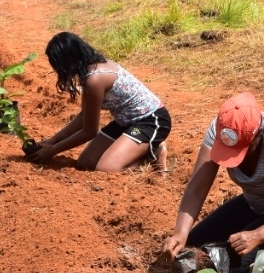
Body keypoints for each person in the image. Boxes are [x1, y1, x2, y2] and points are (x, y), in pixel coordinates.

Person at [161, 92, 264, 273]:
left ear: (256, 137)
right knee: (190, 251)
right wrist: (180, 234)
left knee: (224, 269)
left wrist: (258, 235)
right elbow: (196, 188)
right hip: (254, 203)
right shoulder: (222, 131)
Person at [27, 32, 171, 171]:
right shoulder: (90, 71)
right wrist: (50, 142)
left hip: (151, 120)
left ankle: (154, 154)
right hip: (125, 122)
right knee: (85, 163)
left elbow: (89, 131)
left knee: (106, 168)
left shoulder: (95, 79)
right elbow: (84, 116)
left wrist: (54, 150)